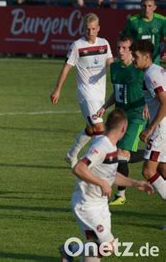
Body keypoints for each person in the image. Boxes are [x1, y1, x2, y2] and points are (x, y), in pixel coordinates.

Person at [60, 108, 154, 262]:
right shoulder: (101, 146)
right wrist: (101, 183)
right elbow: (79, 168)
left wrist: (136, 183)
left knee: (95, 253)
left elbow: (110, 176)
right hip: (87, 205)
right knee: (109, 246)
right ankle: (71, 249)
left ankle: (71, 250)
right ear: (124, 128)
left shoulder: (111, 147)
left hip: (101, 206)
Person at [51, 13, 113, 167]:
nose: (90, 32)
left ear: (98, 28)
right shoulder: (77, 45)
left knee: (91, 129)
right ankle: (93, 164)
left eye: (92, 29)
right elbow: (66, 68)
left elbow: (111, 64)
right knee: (99, 128)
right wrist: (57, 90)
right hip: (85, 93)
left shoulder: (104, 43)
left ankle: (71, 155)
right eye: (87, 29)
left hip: (100, 94)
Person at [96, 36, 147, 205]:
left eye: (125, 48)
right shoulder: (115, 67)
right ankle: (153, 154)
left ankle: (121, 195)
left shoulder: (140, 69)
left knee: (121, 154)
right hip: (121, 116)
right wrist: (105, 105)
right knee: (119, 154)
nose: (121, 51)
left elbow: (154, 88)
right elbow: (117, 91)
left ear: (132, 51)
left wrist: (148, 104)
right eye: (119, 47)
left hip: (137, 116)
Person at [132, 39, 166, 201]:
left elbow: (165, 102)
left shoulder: (151, 74)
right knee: (163, 169)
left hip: (160, 128)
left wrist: (150, 128)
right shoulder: (157, 70)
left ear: (146, 56)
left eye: (136, 56)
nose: (133, 59)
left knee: (148, 171)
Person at [122, 0, 166, 65]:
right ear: (140, 6)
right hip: (138, 59)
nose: (147, 9)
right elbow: (125, 39)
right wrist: (128, 54)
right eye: (144, 6)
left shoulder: (162, 20)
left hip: (154, 59)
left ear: (155, 7)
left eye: (149, 6)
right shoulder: (133, 21)